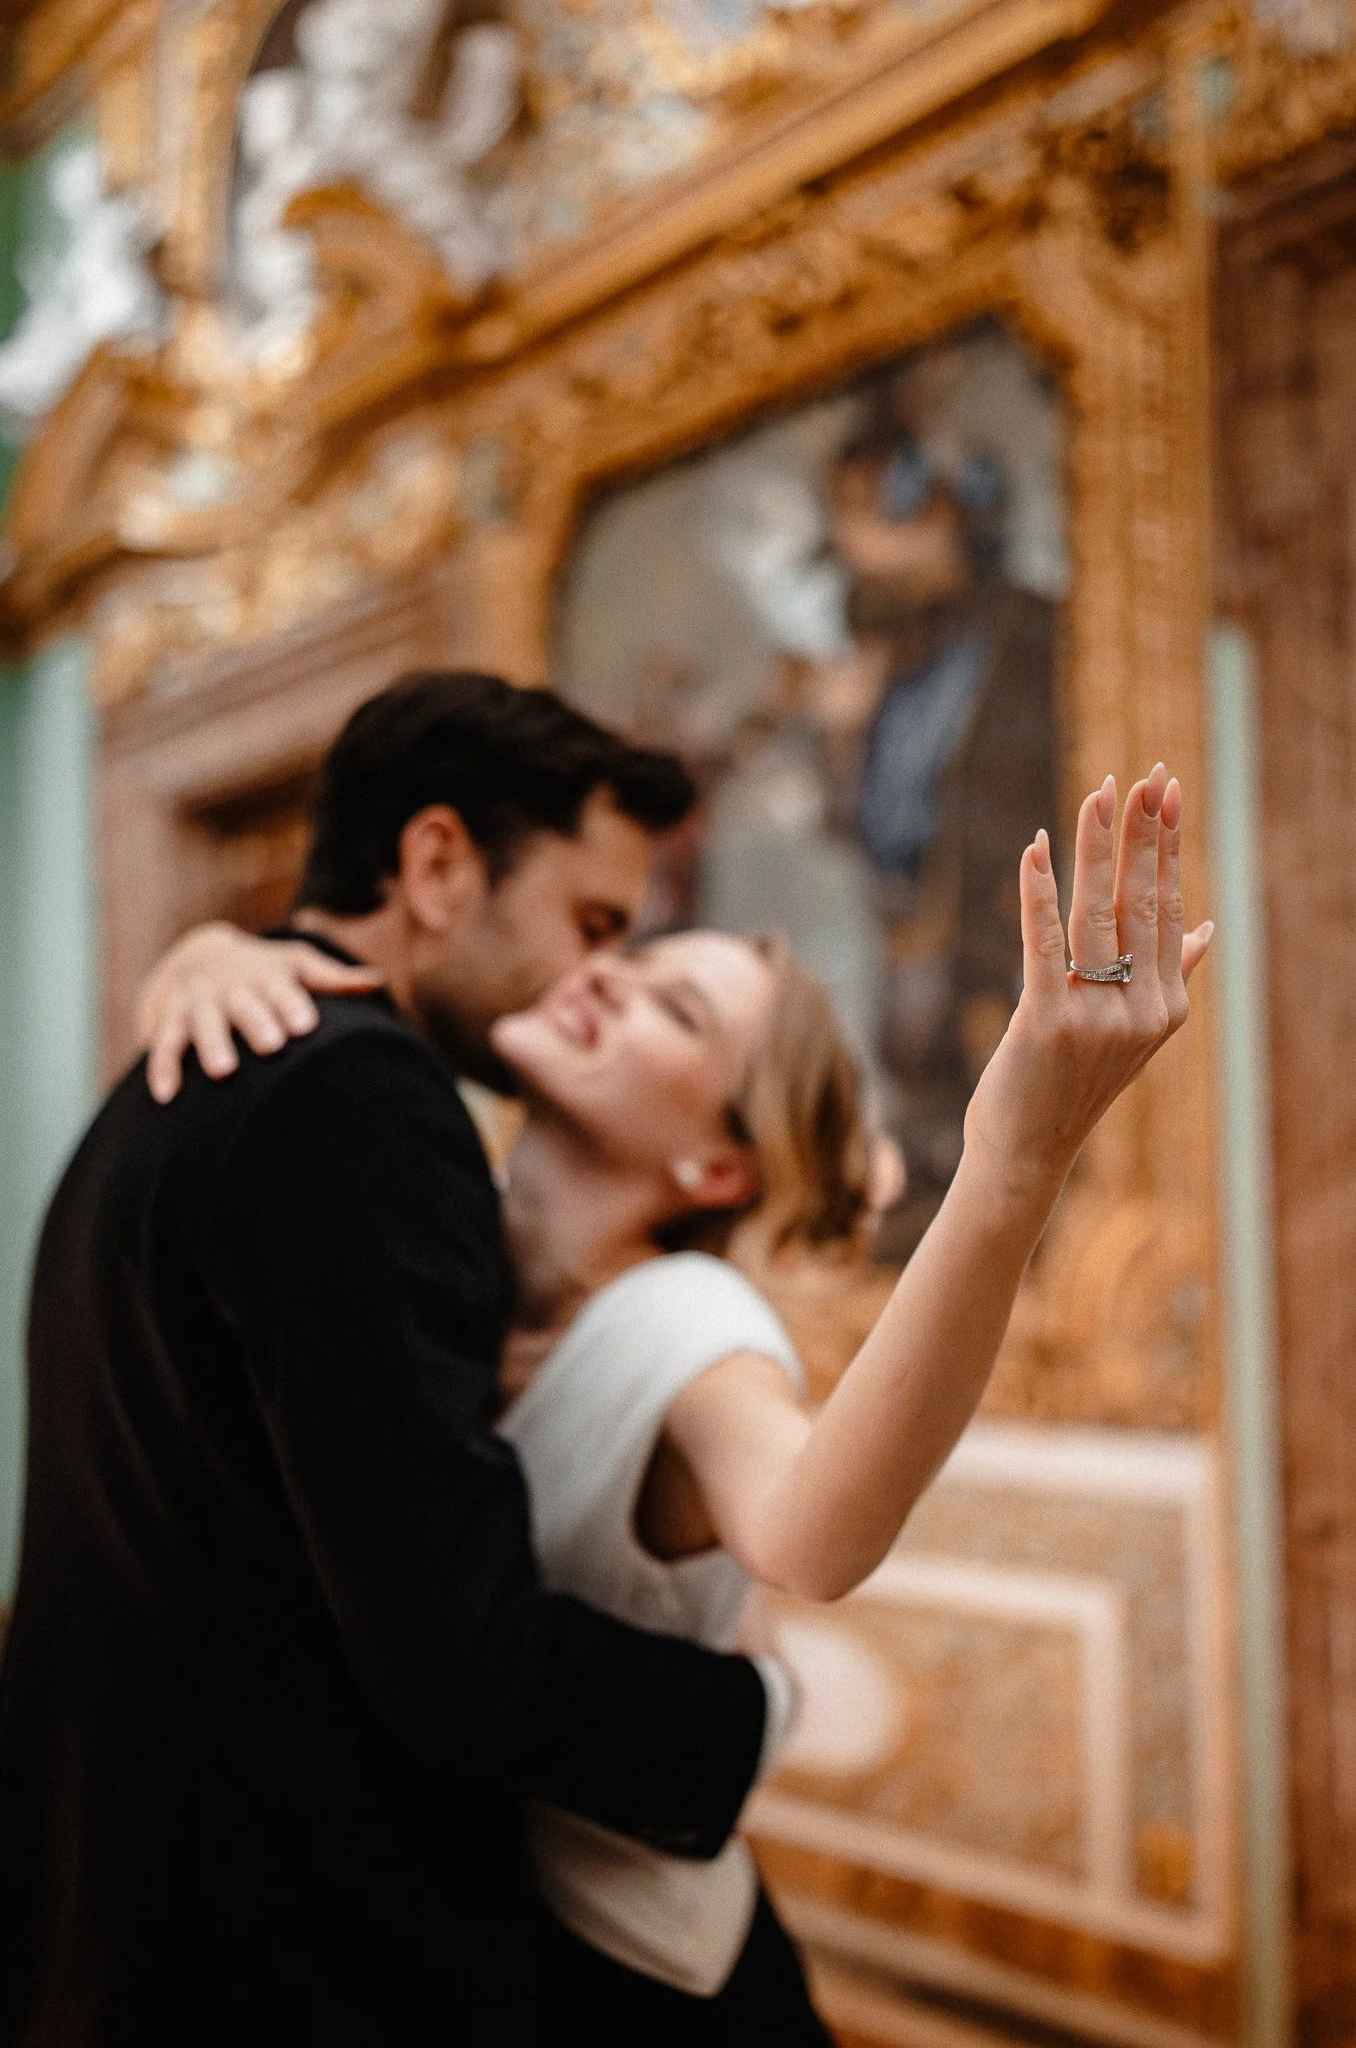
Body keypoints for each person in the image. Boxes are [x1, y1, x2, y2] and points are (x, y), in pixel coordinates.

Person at [138, 726, 1212, 2036]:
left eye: (675, 1011)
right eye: (630, 959)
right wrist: (213, 958)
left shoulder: (687, 1327)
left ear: (717, 1168)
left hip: (655, 1996)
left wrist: (1009, 1170)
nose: (606, 983)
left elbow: (814, 1535)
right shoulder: (440, 1235)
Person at [0, 673, 809, 2048]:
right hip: (282, 1950)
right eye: (591, 922)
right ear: (437, 864)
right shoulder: (368, 1103)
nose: (590, 975)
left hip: (96, 1903)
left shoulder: (167, 1078)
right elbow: (460, 1664)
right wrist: (752, 1709)